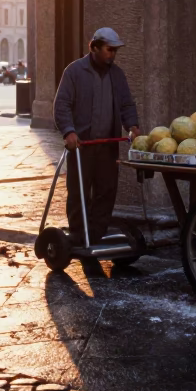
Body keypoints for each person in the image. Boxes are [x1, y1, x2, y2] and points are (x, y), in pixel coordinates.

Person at [53, 27, 141, 252]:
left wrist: (132, 126)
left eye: (115, 51)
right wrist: (68, 131)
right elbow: (61, 104)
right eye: (109, 50)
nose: (112, 55)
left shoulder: (117, 75)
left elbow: (126, 104)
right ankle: (78, 236)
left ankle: (96, 234)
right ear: (94, 48)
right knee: (79, 191)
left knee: (106, 191)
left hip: (108, 146)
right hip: (82, 146)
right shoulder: (74, 72)